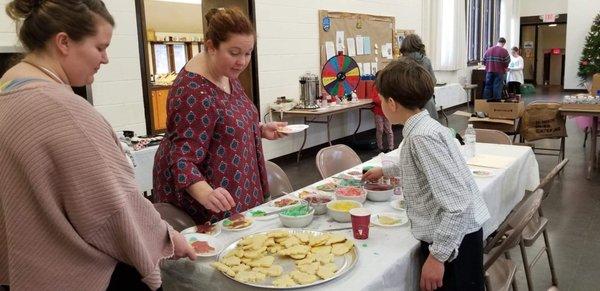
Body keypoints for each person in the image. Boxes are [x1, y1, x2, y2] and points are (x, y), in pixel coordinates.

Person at [0, 1, 195, 290]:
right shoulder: (64, 110)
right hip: (79, 275)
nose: (105, 59)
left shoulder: (7, 95)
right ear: (64, 42)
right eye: (100, 47)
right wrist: (165, 238)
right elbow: (114, 209)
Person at [363, 58, 490, 291]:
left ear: (391, 103)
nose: (380, 105)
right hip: (458, 238)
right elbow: (422, 166)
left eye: (380, 100)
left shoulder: (422, 137)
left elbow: (457, 205)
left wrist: (438, 257)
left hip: (455, 246)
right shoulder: (427, 127)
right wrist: (385, 170)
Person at [153, 7, 286, 224]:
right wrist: (206, 193)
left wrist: (258, 129)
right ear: (211, 47)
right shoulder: (193, 91)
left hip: (235, 179)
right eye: (234, 53)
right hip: (207, 196)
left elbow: (224, 122)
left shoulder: (226, 73)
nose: (242, 61)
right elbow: (181, 159)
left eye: (248, 53)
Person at [400, 34, 439, 121]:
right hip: (427, 101)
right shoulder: (426, 60)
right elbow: (433, 81)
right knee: (430, 127)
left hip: (408, 104)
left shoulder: (400, 63)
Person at [369, 73, 394, 153]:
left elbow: (390, 97)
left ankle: (391, 147)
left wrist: (384, 101)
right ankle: (380, 147)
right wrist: (384, 101)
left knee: (389, 130)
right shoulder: (375, 87)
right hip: (378, 112)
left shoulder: (387, 86)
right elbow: (375, 99)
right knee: (380, 130)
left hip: (387, 111)